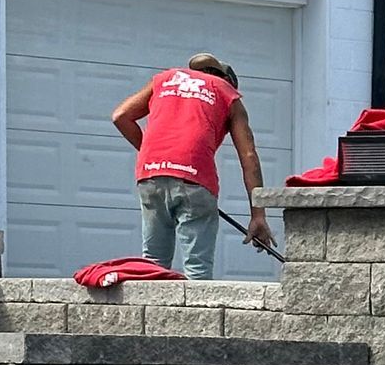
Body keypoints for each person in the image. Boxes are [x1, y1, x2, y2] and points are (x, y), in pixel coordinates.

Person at [110, 53, 273, 279]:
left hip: (152, 173)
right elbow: (248, 155)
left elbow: (120, 116)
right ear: (226, 79)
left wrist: (156, 157)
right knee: (198, 269)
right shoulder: (227, 93)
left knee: (154, 264)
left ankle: (152, 314)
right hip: (195, 178)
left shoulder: (165, 79)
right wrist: (258, 215)